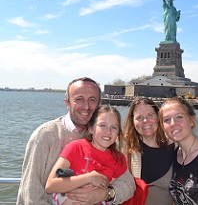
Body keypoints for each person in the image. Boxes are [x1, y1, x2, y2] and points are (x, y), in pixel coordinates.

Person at [17, 77, 135, 205]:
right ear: (67, 103)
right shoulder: (45, 136)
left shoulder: (108, 140)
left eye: (92, 100)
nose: (86, 106)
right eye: (79, 99)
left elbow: (127, 183)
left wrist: (106, 194)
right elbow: (31, 191)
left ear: (99, 104)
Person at [46, 105, 127, 205]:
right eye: (103, 125)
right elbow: (51, 185)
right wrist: (89, 178)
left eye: (114, 127)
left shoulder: (119, 160)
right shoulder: (76, 148)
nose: (108, 132)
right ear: (91, 128)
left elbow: (108, 190)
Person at [122, 97, 174, 205]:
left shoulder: (176, 147)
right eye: (139, 117)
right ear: (133, 121)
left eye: (150, 115)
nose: (145, 121)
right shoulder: (124, 146)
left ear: (158, 117)